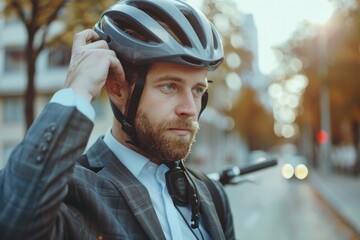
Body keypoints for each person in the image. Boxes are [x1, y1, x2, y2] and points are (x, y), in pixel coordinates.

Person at [0, 0, 235, 239]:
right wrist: (78, 87)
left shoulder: (211, 194)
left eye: (197, 90)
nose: (189, 109)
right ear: (117, 88)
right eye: (169, 86)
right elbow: (15, 219)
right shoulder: (71, 191)